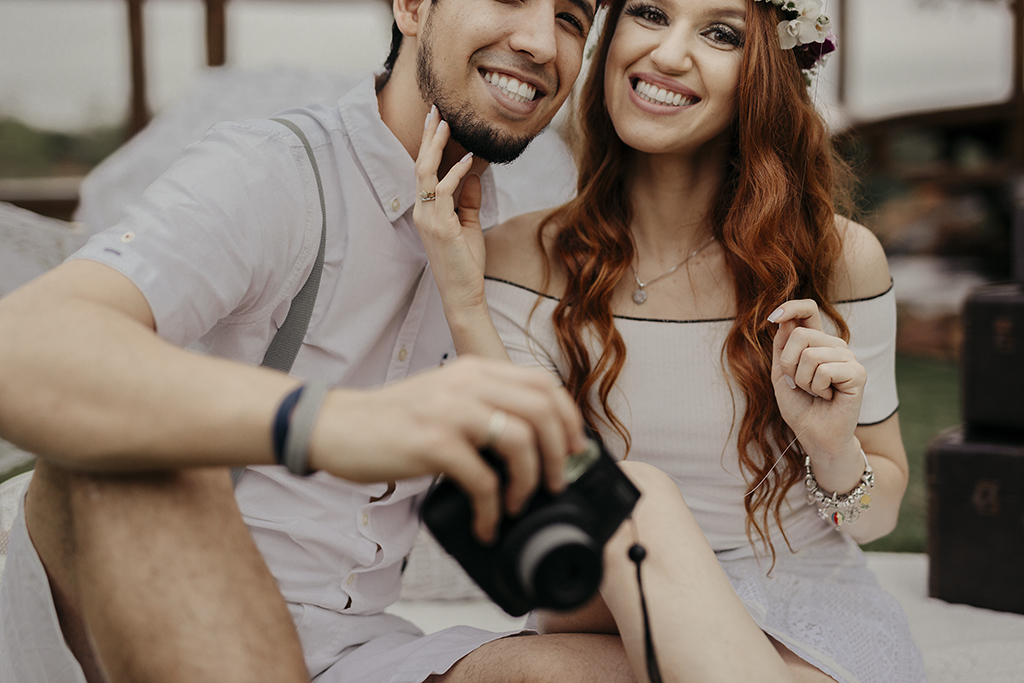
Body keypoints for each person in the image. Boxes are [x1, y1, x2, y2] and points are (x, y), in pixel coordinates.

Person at [0, 0, 644, 681]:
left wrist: (470, 308)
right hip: (158, 605)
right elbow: (24, 344)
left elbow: (571, 579)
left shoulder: (505, 244)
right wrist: (332, 422)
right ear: (413, 7)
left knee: (618, 665)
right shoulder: (269, 172)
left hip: (357, 652)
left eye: (572, 17)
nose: (543, 42)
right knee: (144, 453)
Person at [413, 0, 928, 680]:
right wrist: (465, 300)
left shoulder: (837, 257)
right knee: (497, 662)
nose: (668, 54)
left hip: (803, 633)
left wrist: (831, 445)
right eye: (651, 14)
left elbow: (877, 514)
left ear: (765, 73)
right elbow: (541, 509)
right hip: (606, 622)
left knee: (638, 496)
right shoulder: (516, 258)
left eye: (720, 33)